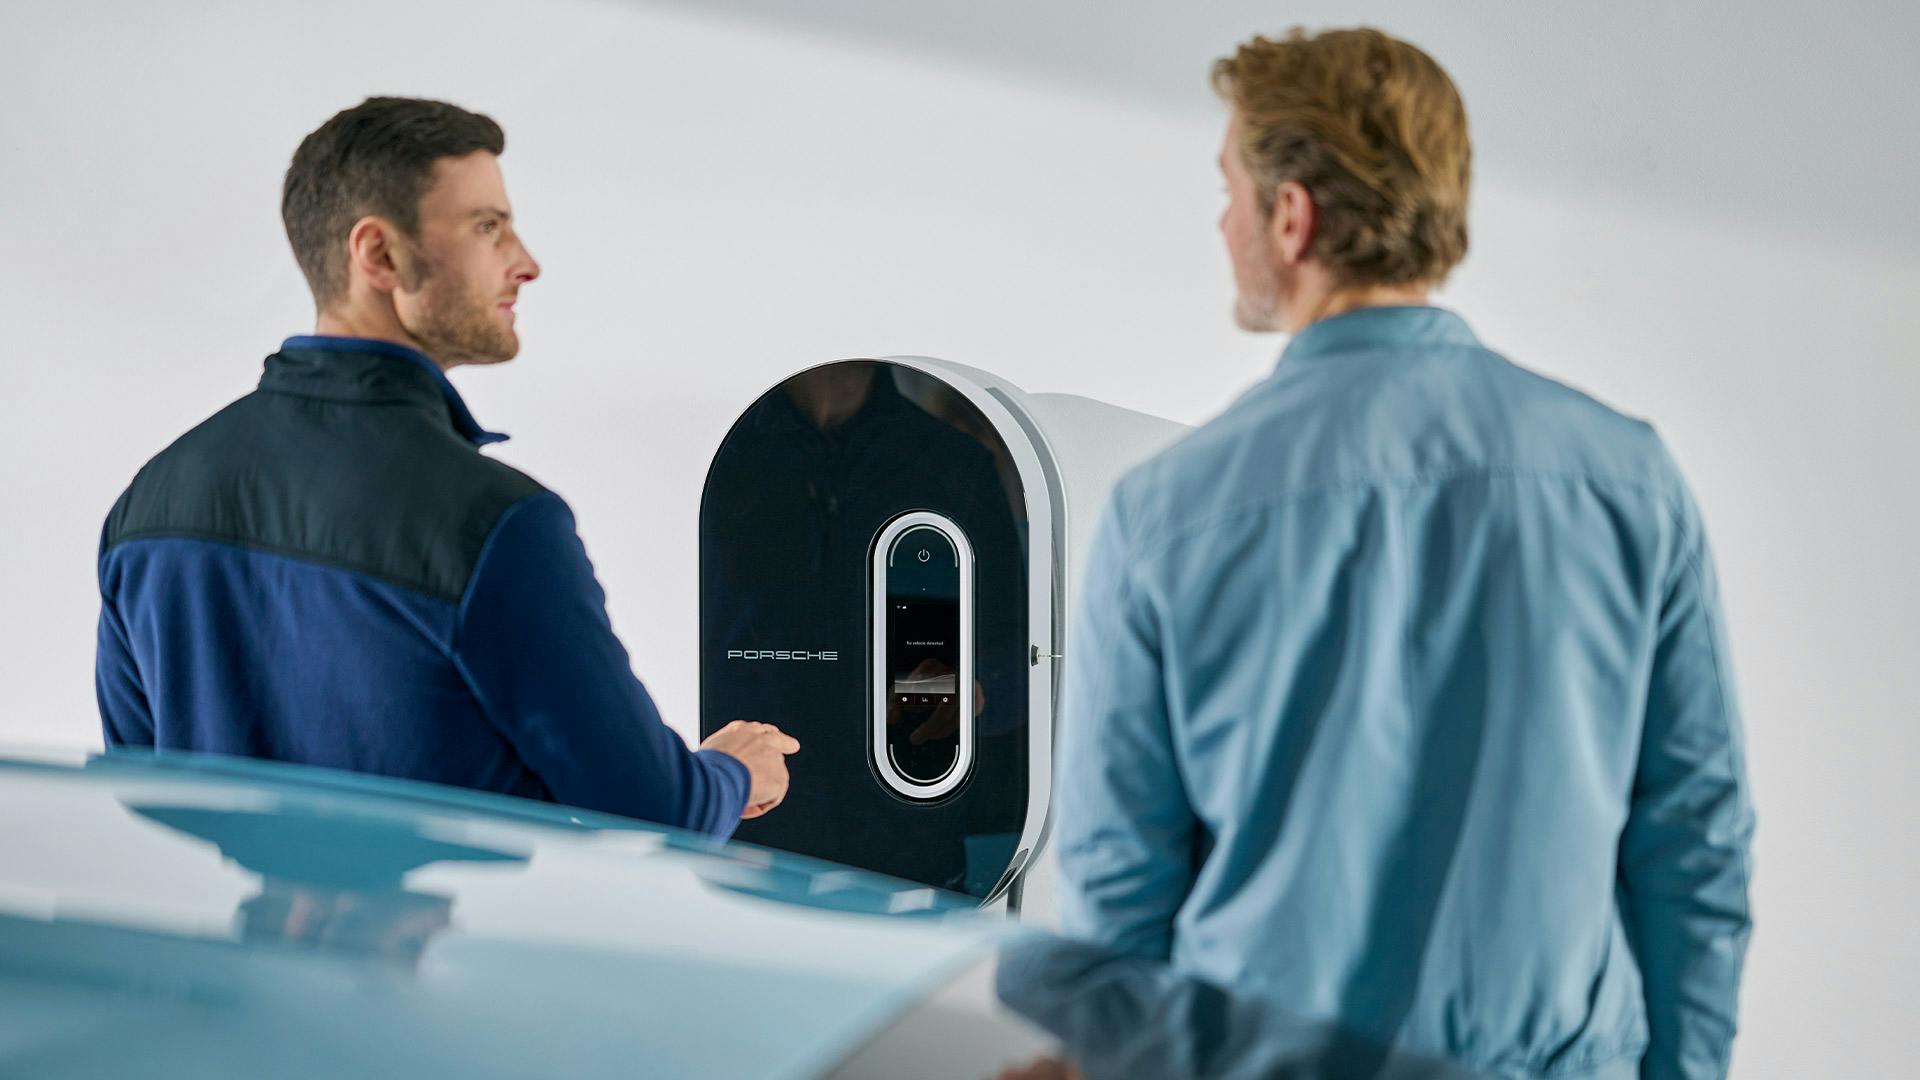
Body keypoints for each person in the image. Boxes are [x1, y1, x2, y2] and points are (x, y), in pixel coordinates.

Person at [1053, 28, 1754, 1079]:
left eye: (1229, 188)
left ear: (1291, 216)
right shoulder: (1628, 477)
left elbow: (1120, 894)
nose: (1223, 221)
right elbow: (1695, 843)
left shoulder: (1165, 514)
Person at [95, 97, 796, 837]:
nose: (526, 264)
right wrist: (733, 769)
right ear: (379, 256)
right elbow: (656, 812)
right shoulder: (496, 525)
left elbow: (143, 803)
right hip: (454, 920)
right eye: (487, 227)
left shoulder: (148, 505)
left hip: (234, 919)